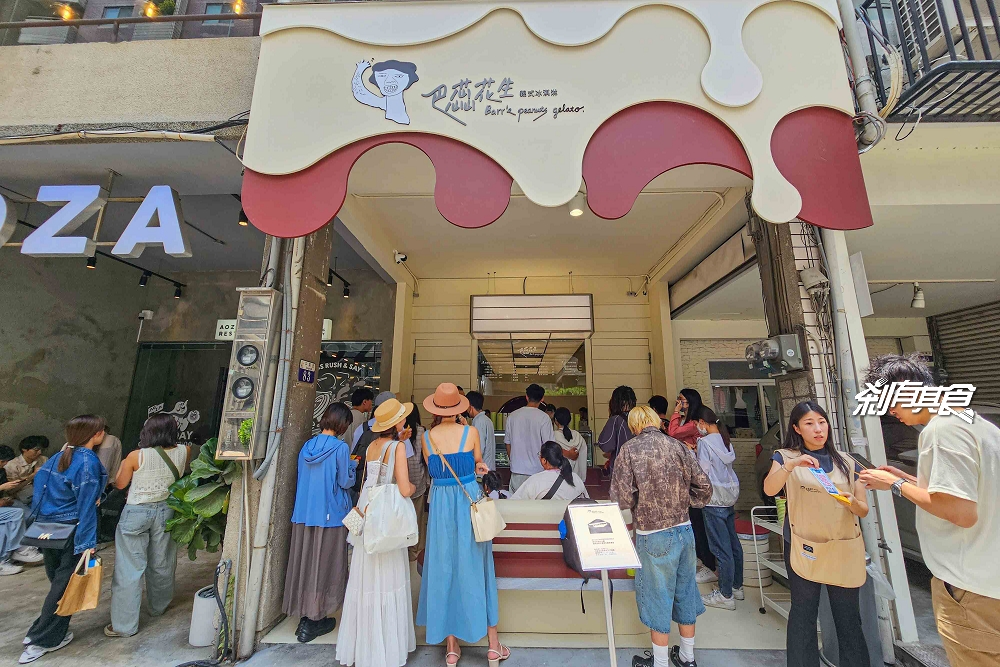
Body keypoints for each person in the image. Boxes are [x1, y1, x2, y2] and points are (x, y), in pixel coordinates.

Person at [858, 354, 1000, 667]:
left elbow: (962, 512)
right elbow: (971, 492)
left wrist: (895, 485)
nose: (890, 412)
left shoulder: (942, 430)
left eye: (889, 402)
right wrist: (906, 479)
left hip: (970, 591)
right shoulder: (977, 424)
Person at [763, 401, 870, 667]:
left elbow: (863, 509)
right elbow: (769, 489)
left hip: (843, 546)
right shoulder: (784, 457)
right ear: (797, 428)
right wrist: (791, 465)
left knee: (848, 617)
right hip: (803, 545)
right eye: (809, 424)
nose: (818, 429)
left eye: (822, 422)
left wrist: (852, 503)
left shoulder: (847, 461)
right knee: (803, 613)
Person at [611, 406, 712, 667]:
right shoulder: (678, 446)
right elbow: (704, 487)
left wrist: (640, 501)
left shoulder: (629, 449)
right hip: (684, 530)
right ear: (656, 421)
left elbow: (621, 498)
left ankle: (659, 663)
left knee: (657, 597)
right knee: (685, 592)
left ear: (634, 425)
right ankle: (688, 658)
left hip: (652, 534)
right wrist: (684, 502)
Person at [417, 383, 509, 667]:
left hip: (441, 506)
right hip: (468, 501)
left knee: (444, 568)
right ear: (458, 408)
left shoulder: (427, 437)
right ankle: (493, 646)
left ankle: (451, 647)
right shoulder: (470, 432)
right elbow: (478, 463)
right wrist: (477, 468)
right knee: (478, 566)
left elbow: (434, 471)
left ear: (435, 408)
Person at [20, 415, 108, 665]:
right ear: (96, 434)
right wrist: (87, 543)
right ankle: (39, 639)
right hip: (72, 532)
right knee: (65, 588)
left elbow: (40, 494)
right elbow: (87, 506)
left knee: (60, 585)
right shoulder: (88, 462)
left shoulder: (57, 458)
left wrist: (39, 526)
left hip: (49, 531)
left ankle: (48, 633)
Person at [336, 398, 416, 667]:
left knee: (365, 578)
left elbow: (374, 476)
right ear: (397, 423)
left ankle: (364, 645)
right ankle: (386, 647)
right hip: (386, 517)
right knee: (389, 578)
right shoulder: (398, 448)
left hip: (367, 509)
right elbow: (403, 488)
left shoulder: (372, 445)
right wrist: (413, 489)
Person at [105, 414, 191, 638]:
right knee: (162, 561)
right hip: (166, 510)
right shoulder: (185, 451)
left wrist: (123, 466)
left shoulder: (136, 456)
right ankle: (158, 607)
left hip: (137, 511)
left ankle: (124, 626)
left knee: (129, 568)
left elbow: (120, 484)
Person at [283, 402, 357, 643]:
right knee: (326, 565)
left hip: (304, 514)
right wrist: (353, 467)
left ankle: (304, 614)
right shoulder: (340, 448)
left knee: (305, 564)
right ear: (342, 424)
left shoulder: (307, 446)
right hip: (330, 515)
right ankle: (315, 618)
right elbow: (345, 482)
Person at [693, 407, 743, 611]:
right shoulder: (725, 440)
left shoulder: (704, 442)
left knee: (721, 549)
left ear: (702, 423)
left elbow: (702, 471)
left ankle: (725, 594)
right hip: (729, 496)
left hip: (713, 498)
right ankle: (736, 586)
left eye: (697, 423)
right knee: (733, 544)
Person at [667, 389, 716, 584]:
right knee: (693, 519)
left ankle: (708, 563)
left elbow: (673, 433)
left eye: (681, 400)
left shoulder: (694, 423)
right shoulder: (688, 420)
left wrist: (674, 412)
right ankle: (701, 560)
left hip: (695, 477)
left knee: (697, 520)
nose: (678, 403)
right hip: (688, 475)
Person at [504, 384, 553, 493]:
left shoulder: (512, 416)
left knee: (516, 502)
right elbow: (549, 446)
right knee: (536, 503)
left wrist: (514, 460)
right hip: (538, 471)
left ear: (526, 397)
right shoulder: (544, 418)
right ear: (542, 399)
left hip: (517, 471)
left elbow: (508, 443)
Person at [510, 441, 589, 501]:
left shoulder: (535, 480)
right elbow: (586, 501)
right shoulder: (575, 478)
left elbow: (515, 502)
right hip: (569, 518)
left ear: (544, 460)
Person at [403, 407, 430, 561]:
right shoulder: (422, 432)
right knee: (418, 518)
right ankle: (417, 551)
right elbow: (425, 457)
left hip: (403, 480)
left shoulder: (400, 433)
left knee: (403, 517)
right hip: (418, 479)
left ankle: (405, 550)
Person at [597, 385, 636, 474]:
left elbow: (605, 444)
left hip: (622, 470)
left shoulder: (616, 420)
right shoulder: (640, 418)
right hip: (641, 468)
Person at [6, 436, 49, 504]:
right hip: (22, 496)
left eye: (41, 450)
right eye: (36, 450)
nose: (40, 452)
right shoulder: (12, 465)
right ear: (24, 449)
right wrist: (32, 476)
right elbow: (11, 490)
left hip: (42, 491)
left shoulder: (43, 459)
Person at [552, 407, 588, 481]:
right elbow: (583, 455)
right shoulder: (577, 435)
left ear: (555, 420)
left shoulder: (553, 436)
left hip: (558, 479)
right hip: (576, 478)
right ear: (570, 420)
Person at [467, 391, 496, 471]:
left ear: (470, 405)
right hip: (488, 468)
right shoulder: (486, 419)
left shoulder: (479, 421)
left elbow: (480, 449)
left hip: (482, 471)